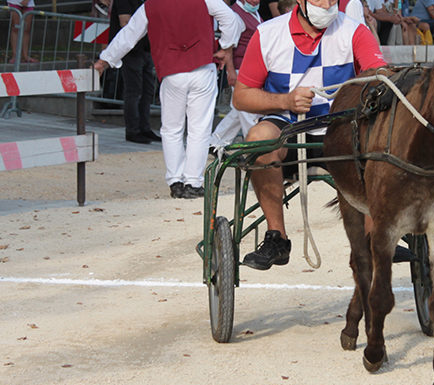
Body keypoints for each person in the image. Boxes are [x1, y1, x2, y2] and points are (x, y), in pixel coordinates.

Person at [232, 0, 387, 270]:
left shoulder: (355, 32)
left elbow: (379, 75)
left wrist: (380, 77)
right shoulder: (268, 33)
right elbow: (241, 96)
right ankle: (276, 237)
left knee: (377, 140)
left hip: (340, 131)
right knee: (258, 138)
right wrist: (286, 102)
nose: (327, 5)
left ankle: (374, 237)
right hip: (287, 125)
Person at [93, 0, 244, 199]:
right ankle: (193, 181)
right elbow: (232, 20)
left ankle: (175, 181)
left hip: (171, 71)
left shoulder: (151, 5)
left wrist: (105, 60)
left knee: (171, 128)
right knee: (199, 128)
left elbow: (129, 35)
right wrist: (226, 46)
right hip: (202, 66)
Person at [209, 0, 266, 151]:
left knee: (238, 111)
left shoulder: (252, 12)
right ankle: (253, 146)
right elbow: (229, 47)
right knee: (248, 109)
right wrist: (231, 71)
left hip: (251, 68)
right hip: (241, 68)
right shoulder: (235, 14)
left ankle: (216, 142)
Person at [110, 0, 163, 145]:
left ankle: (144, 128)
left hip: (145, 48)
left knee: (146, 90)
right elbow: (125, 23)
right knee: (134, 91)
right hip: (132, 51)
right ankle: (133, 130)